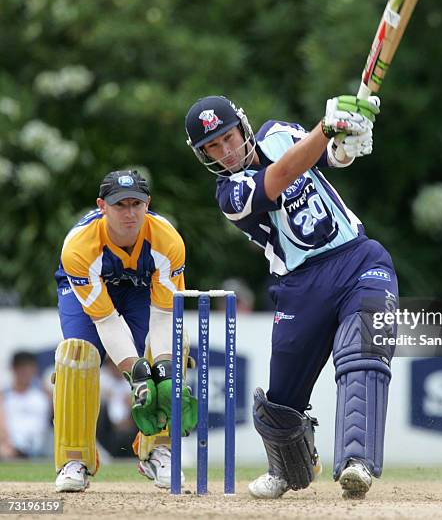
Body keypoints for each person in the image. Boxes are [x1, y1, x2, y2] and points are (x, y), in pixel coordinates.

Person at [184, 94, 398, 499]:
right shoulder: (230, 193)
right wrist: (327, 127)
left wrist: (344, 143)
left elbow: (328, 158)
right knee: (281, 403)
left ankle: (357, 463)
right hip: (300, 285)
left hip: (358, 258)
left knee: (364, 353)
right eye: (212, 147)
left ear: (242, 127)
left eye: (228, 137)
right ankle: (286, 469)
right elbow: (281, 176)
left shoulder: (280, 133)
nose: (225, 151)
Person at [53, 170, 197, 492]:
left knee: (171, 353)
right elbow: (106, 321)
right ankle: (74, 460)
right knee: (77, 353)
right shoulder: (79, 247)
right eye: (121, 205)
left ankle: (159, 450)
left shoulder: (167, 241)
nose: (130, 213)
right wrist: (137, 374)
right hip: (88, 285)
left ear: (148, 204)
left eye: (137, 204)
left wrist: (162, 370)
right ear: (102, 206)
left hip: (138, 286)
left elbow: (163, 316)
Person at [0, 351, 51, 459]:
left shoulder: (43, 396)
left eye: (29, 368)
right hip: (10, 448)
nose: (25, 373)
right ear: (13, 369)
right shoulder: (5, 397)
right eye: (21, 369)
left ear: (34, 369)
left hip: (39, 450)